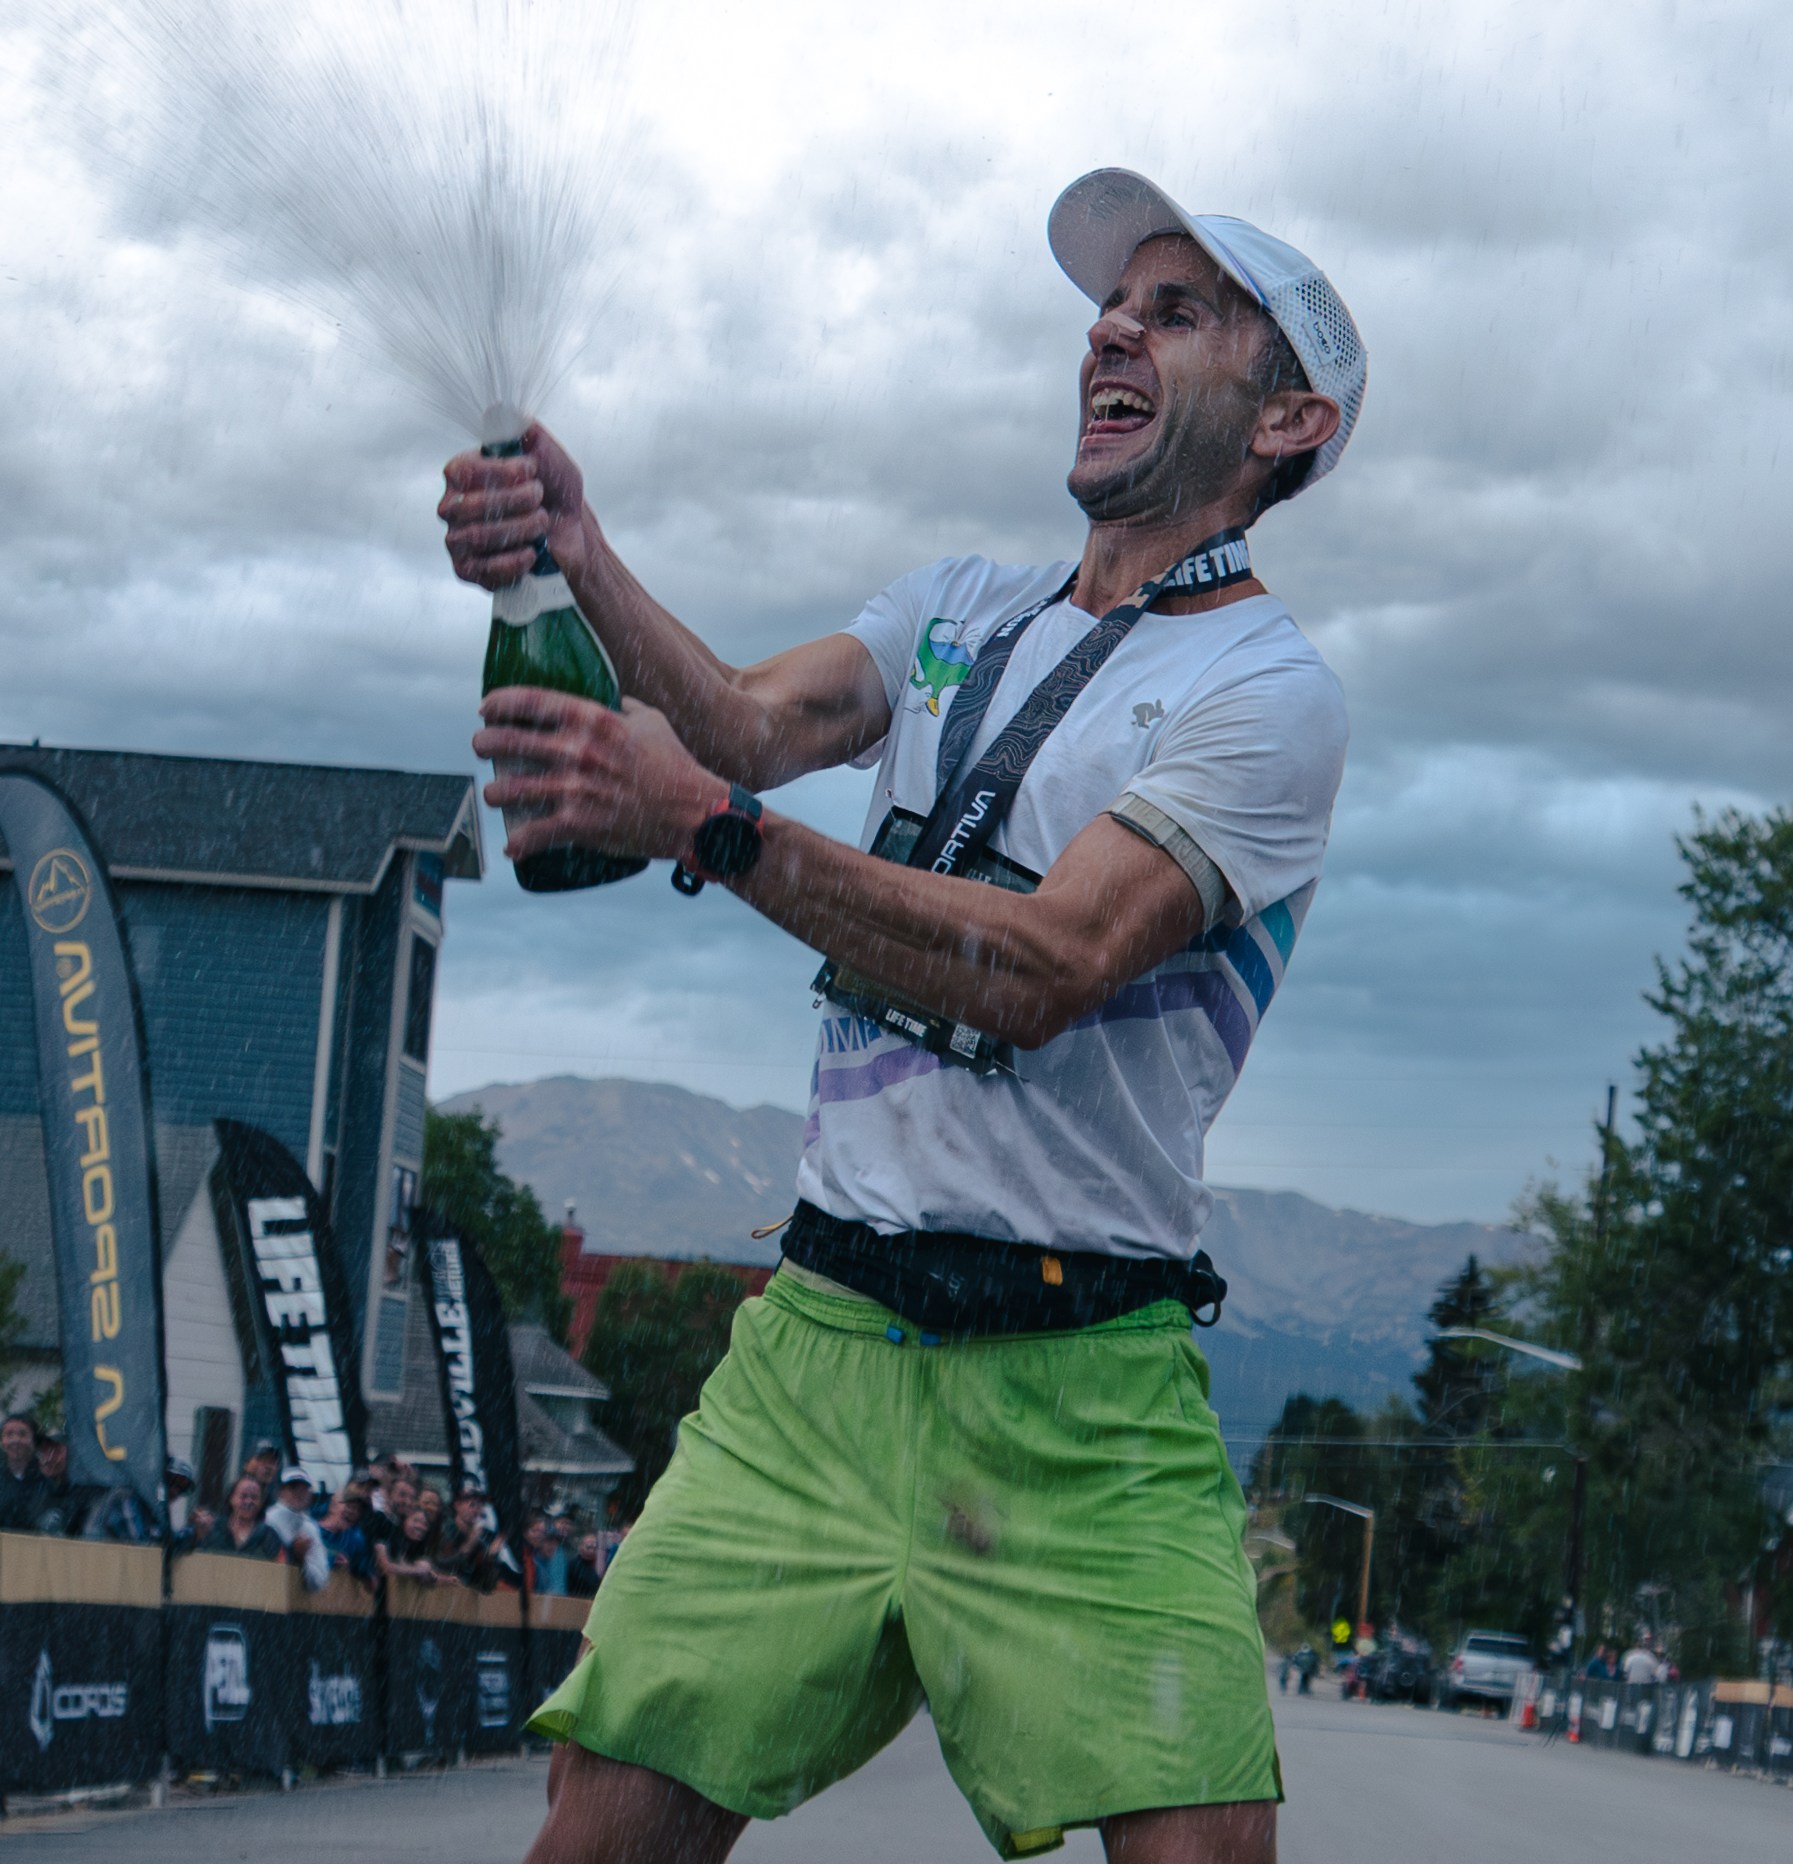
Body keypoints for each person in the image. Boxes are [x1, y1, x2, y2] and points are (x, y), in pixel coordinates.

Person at [442, 166, 1361, 1862]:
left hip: (1084, 1382)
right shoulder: (953, 604)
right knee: (598, 1827)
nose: (1111, 325)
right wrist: (581, 552)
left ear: (1283, 417)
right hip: (820, 1349)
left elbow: (1047, 964)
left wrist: (708, 828)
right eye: (1109, 305)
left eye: (1175, 312)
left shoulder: (1265, 694)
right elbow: (729, 718)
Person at [200, 1477, 283, 1560]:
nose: (248, 1502)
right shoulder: (212, 1528)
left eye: (254, 1497)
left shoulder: (268, 1535)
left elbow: (280, 1567)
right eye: (243, 1496)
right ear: (231, 1498)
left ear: (261, 1503)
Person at [0, 1413, 46, 1531]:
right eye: (9, 1434)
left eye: (22, 1434)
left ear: (34, 1440)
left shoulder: (46, 1479)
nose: (15, 1440)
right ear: (2, 1442)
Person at [525, 1512, 569, 1595]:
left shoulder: (559, 1559)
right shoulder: (531, 1561)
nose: (552, 1546)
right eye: (548, 1541)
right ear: (540, 1542)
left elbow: (559, 1591)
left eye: (556, 1542)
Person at [565, 1531, 604, 1600]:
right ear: (581, 1546)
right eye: (589, 1547)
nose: (592, 1550)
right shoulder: (573, 1564)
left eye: (595, 1547)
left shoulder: (600, 1565)